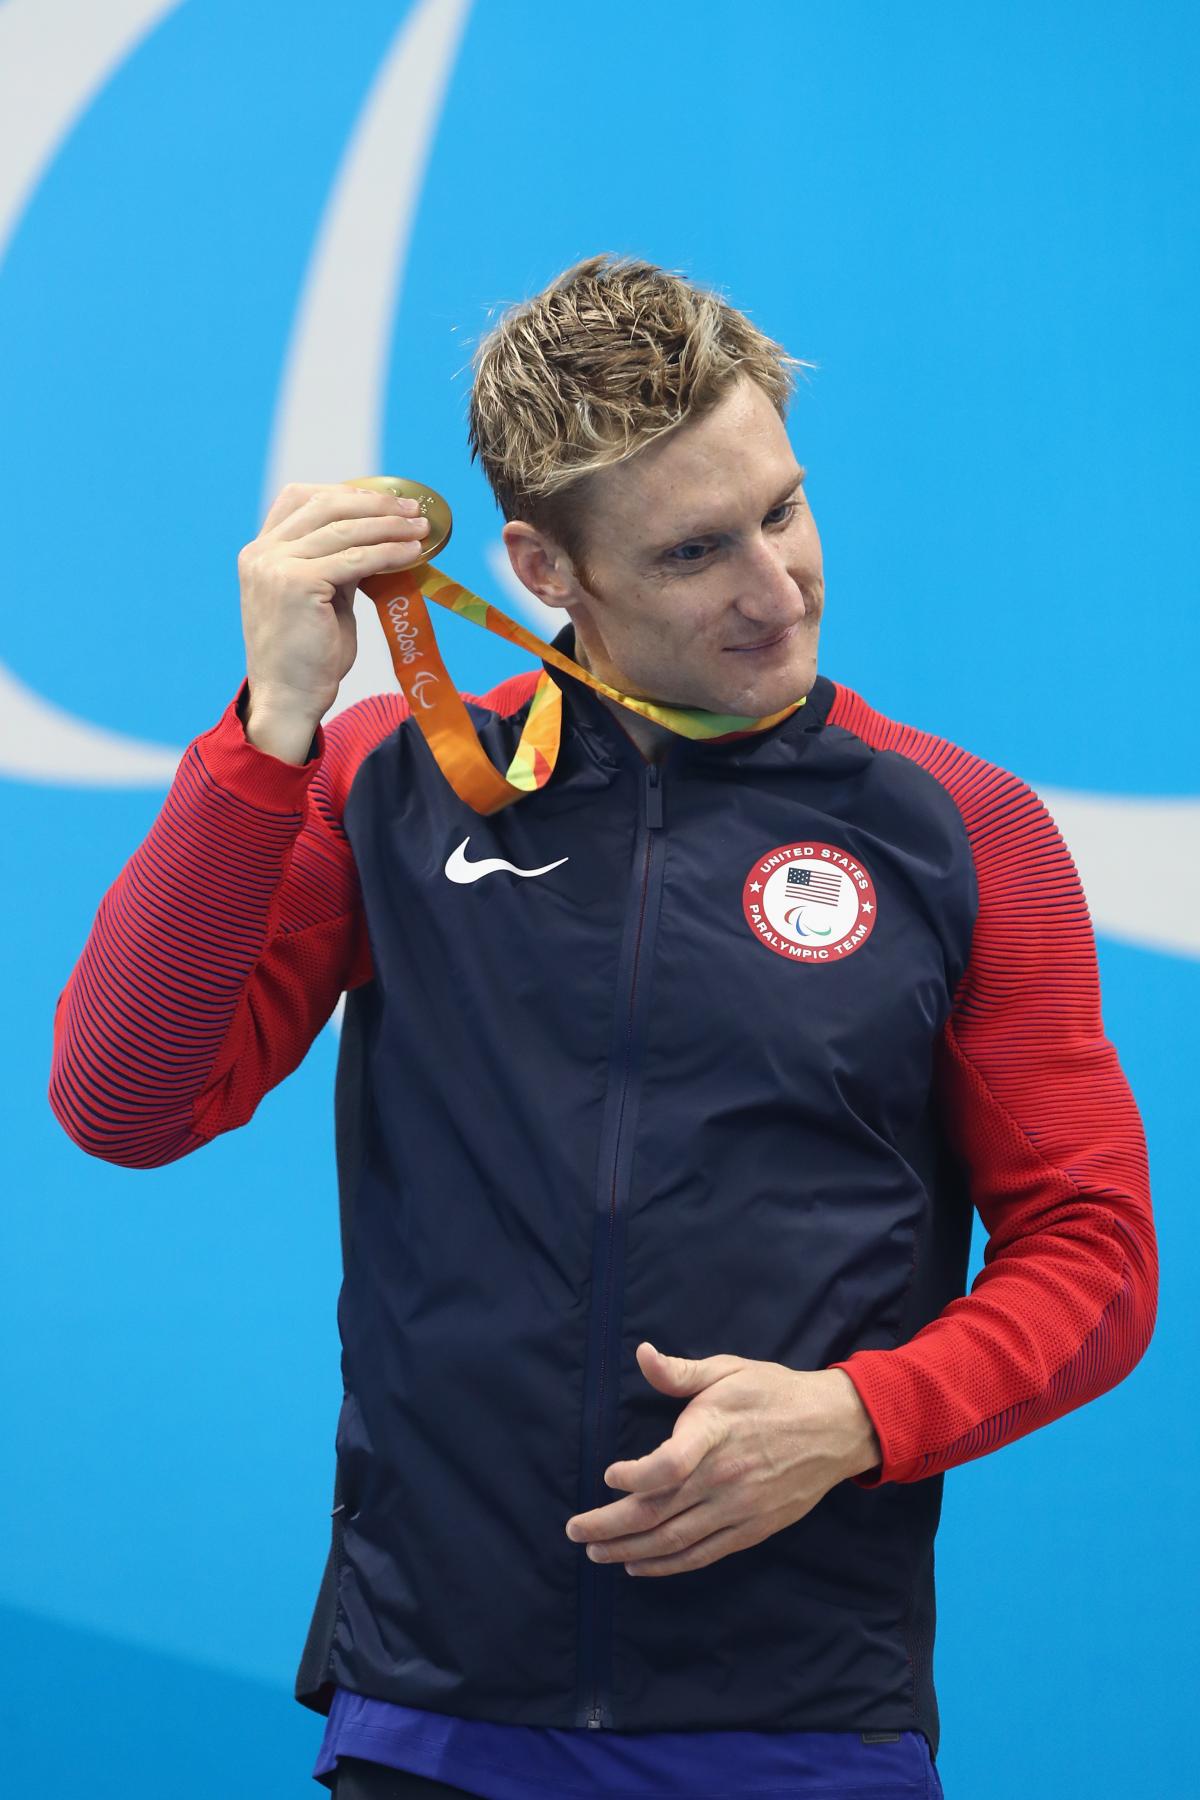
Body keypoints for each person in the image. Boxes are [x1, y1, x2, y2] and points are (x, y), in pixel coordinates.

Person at [49, 253, 1158, 1800]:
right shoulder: (386, 783)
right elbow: (122, 1099)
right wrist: (267, 731)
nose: (777, 590)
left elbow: (1097, 1254)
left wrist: (855, 1415)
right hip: (433, 1719)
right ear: (542, 567)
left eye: (781, 509)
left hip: (804, 1726)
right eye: (696, 550)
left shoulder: (961, 827)